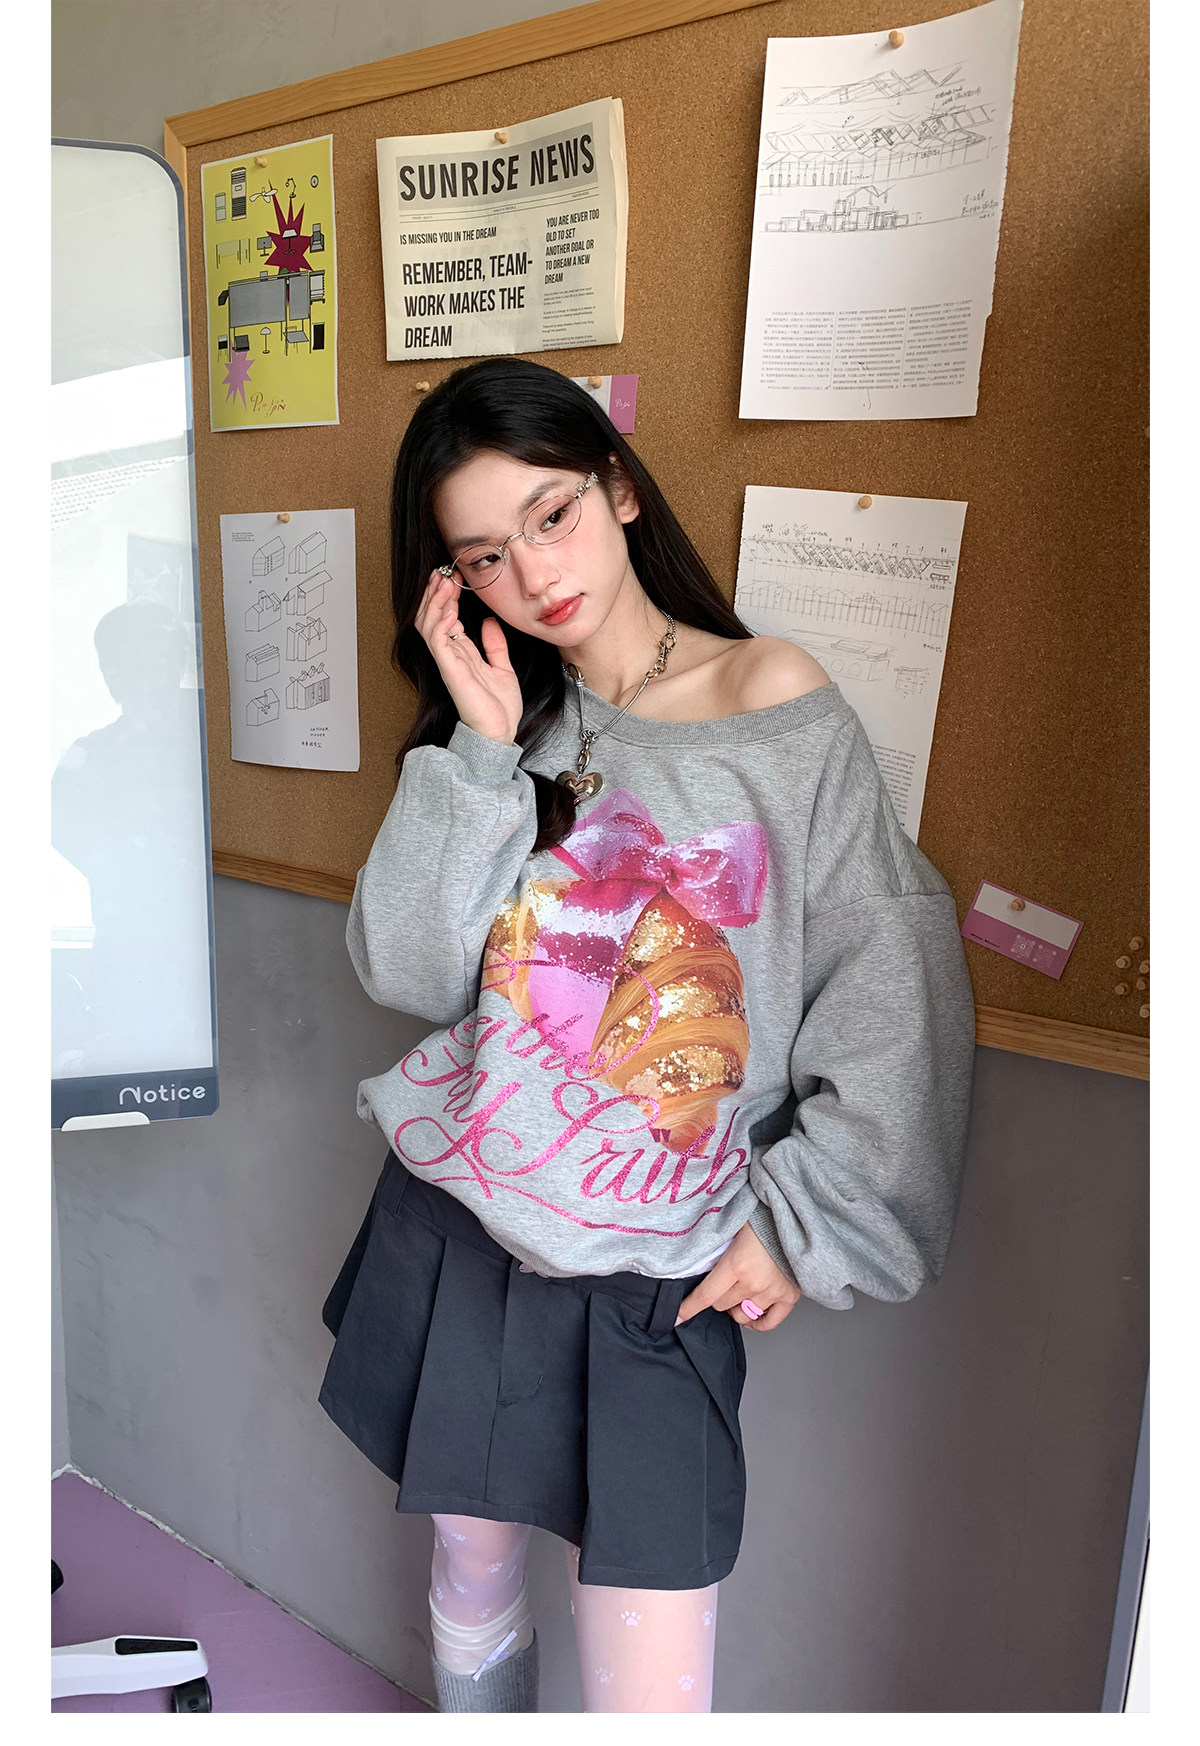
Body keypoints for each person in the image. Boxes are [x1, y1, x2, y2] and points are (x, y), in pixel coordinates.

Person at [317, 357, 976, 1714]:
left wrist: (807, 1222)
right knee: (471, 1572)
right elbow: (410, 971)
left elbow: (893, 977)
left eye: (550, 515)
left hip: (655, 1268)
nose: (532, 573)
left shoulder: (770, 696)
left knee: (651, 1677)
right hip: (466, 1221)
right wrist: (481, 752)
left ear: (617, 489)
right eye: (485, 555)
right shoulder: (507, 724)